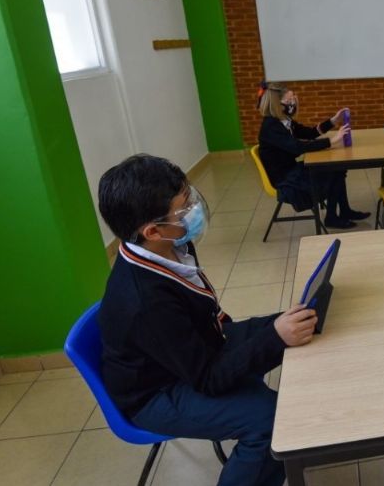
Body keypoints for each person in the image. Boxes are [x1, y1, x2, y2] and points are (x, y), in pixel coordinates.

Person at [97, 154, 317, 486]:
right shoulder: (146, 302)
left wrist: (277, 331)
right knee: (272, 420)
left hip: (193, 350)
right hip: (157, 392)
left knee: (296, 321)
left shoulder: (171, 244)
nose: (195, 211)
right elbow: (207, 378)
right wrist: (274, 338)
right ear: (152, 230)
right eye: (185, 207)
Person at [257, 82, 370, 229]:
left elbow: (309, 133)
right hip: (285, 179)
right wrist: (331, 141)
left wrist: (332, 121)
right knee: (334, 172)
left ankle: (344, 211)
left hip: (291, 170)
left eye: (293, 99)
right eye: (289, 100)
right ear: (276, 103)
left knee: (337, 169)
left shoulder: (284, 121)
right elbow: (297, 148)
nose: (293, 103)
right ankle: (331, 218)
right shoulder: (271, 126)